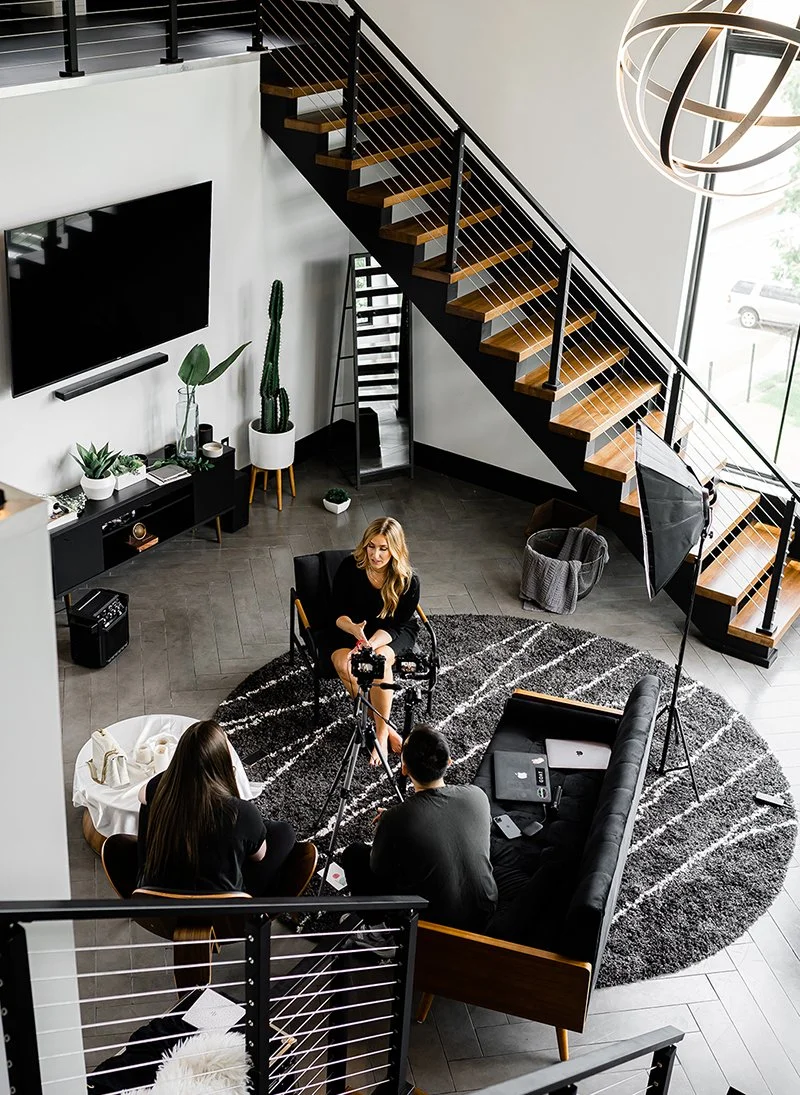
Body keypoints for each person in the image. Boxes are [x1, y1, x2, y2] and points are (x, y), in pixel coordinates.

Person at [340, 726, 498, 932]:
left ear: (404, 769)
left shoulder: (394, 818)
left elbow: (379, 869)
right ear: (449, 762)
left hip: (433, 926)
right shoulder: (477, 795)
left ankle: (378, 929)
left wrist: (391, 824)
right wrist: (398, 820)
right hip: (486, 910)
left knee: (354, 854)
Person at [136, 720, 296, 895]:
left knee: (149, 804)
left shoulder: (161, 787)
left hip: (156, 898)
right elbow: (259, 856)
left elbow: (142, 795)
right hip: (220, 906)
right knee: (284, 833)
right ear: (223, 762)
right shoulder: (242, 812)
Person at [324, 517, 420, 765]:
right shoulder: (350, 567)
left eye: (383, 549)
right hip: (350, 628)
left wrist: (370, 645)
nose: (376, 555)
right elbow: (336, 612)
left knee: (379, 662)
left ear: (395, 549)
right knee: (345, 665)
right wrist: (354, 630)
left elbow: (397, 625)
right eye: (371, 546)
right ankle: (388, 728)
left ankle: (380, 734)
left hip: (392, 632)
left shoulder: (408, 581)